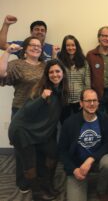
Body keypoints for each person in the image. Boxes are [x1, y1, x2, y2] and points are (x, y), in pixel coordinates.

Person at [8, 59, 69, 201]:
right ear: (47, 75)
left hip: (40, 132)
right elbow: (27, 111)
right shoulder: (41, 89)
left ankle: (46, 184)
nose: (55, 74)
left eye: (57, 71)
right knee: (30, 163)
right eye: (51, 72)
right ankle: (36, 193)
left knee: (53, 154)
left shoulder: (61, 90)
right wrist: (41, 98)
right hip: (22, 130)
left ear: (63, 73)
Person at [0, 37, 47, 193]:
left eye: (39, 46)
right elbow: (1, 73)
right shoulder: (17, 64)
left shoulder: (44, 66)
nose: (36, 48)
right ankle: (23, 182)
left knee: (40, 147)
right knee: (22, 149)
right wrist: (7, 52)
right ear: (25, 49)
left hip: (40, 111)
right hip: (21, 112)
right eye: (32, 45)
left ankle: (38, 178)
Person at [59, 89, 108, 201]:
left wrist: (91, 159)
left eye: (95, 100)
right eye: (88, 101)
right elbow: (62, 151)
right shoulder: (69, 123)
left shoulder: (105, 119)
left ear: (99, 103)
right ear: (81, 103)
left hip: (96, 160)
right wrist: (74, 169)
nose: (92, 104)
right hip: (77, 165)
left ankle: (101, 190)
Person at [86, 26, 108, 122]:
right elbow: (87, 75)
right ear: (99, 37)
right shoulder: (91, 55)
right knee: (98, 119)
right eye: (104, 36)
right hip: (97, 94)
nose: (107, 38)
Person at [58, 35, 91, 123]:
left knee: (79, 124)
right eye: (68, 45)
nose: (71, 48)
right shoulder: (59, 61)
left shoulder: (84, 62)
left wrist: (85, 99)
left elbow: (87, 81)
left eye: (73, 45)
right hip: (64, 99)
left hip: (79, 99)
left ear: (77, 46)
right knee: (65, 123)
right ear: (64, 47)